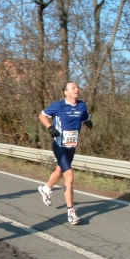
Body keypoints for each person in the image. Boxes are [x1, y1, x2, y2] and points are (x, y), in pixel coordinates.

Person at [38, 81, 92, 225]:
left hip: (71, 146)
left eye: (77, 87)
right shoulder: (58, 106)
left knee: (59, 172)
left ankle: (45, 188)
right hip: (59, 145)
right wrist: (50, 127)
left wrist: (87, 122)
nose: (77, 89)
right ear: (66, 92)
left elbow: (85, 116)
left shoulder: (82, 105)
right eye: (73, 88)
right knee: (69, 176)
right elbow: (42, 116)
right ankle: (71, 212)